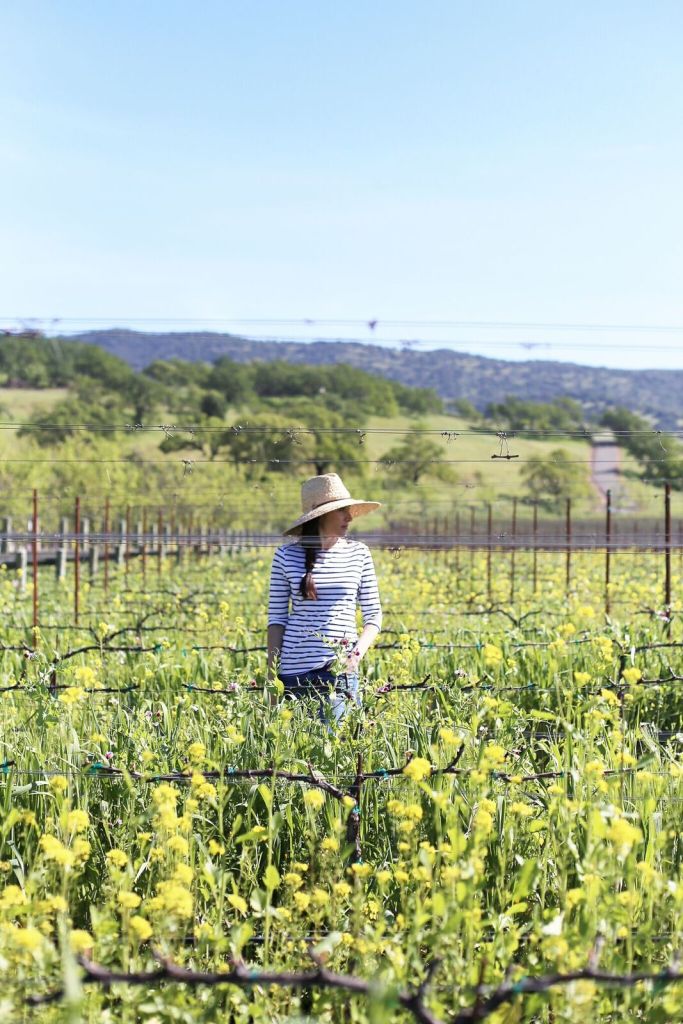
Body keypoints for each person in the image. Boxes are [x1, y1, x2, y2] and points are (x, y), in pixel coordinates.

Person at [267, 473, 382, 722]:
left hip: (339, 671)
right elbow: (276, 620)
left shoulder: (359, 553)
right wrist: (271, 677)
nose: (349, 517)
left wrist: (355, 655)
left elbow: (374, 615)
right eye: (341, 511)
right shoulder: (286, 555)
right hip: (292, 675)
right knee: (297, 755)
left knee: (335, 750)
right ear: (321, 515)